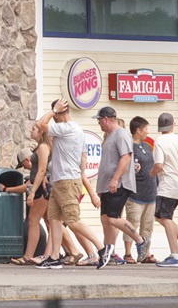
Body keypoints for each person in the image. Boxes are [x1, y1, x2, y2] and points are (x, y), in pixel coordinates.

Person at [34, 97, 103, 269]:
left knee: (72, 220)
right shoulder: (75, 130)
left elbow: (40, 124)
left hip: (66, 180)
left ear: (58, 114)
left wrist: (53, 110)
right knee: (55, 220)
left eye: (55, 114)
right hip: (61, 180)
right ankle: (54, 257)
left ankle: (102, 248)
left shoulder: (67, 128)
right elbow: (83, 158)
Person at [92, 106, 143, 268]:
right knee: (105, 219)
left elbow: (126, 157)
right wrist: (101, 187)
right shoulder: (109, 136)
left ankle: (140, 240)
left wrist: (115, 179)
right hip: (108, 186)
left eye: (99, 120)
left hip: (118, 185)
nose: (99, 123)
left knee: (113, 218)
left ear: (106, 119)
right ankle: (109, 252)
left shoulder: (121, 134)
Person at [150, 112, 178, 266]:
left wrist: (151, 174)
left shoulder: (160, 141)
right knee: (163, 216)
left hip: (167, 184)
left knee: (165, 218)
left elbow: (159, 165)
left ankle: (175, 256)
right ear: (173, 124)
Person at [8, 121, 52, 265]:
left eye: (33, 129)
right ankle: (52, 253)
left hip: (40, 187)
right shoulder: (41, 147)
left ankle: (28, 255)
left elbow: (41, 170)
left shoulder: (43, 148)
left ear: (41, 132)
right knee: (50, 222)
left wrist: (32, 191)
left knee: (33, 221)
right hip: (41, 186)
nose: (30, 132)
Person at [122, 116, 157, 264]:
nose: (147, 133)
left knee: (147, 225)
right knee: (132, 223)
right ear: (138, 130)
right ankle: (128, 253)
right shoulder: (129, 147)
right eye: (145, 130)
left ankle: (146, 253)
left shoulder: (147, 147)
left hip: (150, 193)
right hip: (135, 193)